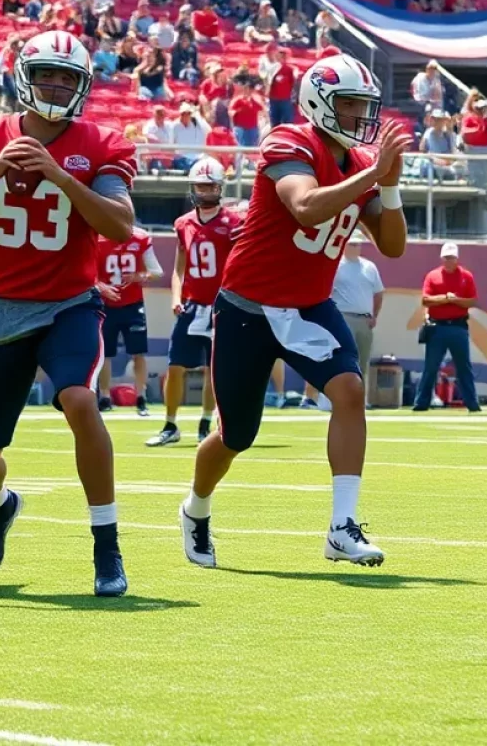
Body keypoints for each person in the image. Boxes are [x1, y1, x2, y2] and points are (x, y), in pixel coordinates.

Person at [0, 29, 137, 598]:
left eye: (68, 77)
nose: (57, 85)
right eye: (47, 74)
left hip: (70, 302)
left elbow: (119, 223)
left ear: (84, 85)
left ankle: (106, 546)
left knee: (80, 398)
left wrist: (61, 175)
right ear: (23, 75)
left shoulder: (103, 141)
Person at [178, 53, 410, 569]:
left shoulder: (358, 164)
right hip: (248, 308)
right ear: (319, 103)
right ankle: (196, 509)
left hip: (308, 306)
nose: (359, 118)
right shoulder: (290, 141)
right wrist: (373, 171)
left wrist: (387, 184)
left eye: (363, 107)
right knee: (236, 435)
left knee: (350, 391)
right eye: (349, 106)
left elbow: (392, 245)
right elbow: (305, 205)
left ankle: (341, 528)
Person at [149, 158, 241, 447]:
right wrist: (176, 297)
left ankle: (204, 422)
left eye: (210, 186)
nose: (204, 192)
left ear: (220, 188)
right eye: (200, 187)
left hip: (220, 306)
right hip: (191, 304)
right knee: (175, 365)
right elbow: (179, 267)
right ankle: (171, 424)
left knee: (212, 368)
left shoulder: (234, 222)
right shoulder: (183, 223)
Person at [96, 227, 163, 415]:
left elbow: (157, 271)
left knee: (138, 353)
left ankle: (141, 397)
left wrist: (138, 276)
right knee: (105, 354)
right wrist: (101, 286)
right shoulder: (98, 238)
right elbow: (89, 274)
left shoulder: (140, 238)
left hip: (133, 304)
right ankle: (105, 397)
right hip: (106, 304)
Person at [414, 242, 479, 413]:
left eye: (451, 258)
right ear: (442, 258)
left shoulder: (466, 276)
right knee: (431, 366)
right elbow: (426, 300)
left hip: (458, 326)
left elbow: (472, 300)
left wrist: (454, 300)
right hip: (438, 327)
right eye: (446, 258)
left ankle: (472, 403)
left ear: (457, 259)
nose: (449, 261)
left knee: (464, 367)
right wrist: (446, 298)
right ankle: (421, 402)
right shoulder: (433, 276)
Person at [331, 231, 384, 408]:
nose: (355, 247)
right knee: (342, 360)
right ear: (344, 244)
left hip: (364, 320)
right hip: (343, 317)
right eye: (351, 244)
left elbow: (378, 293)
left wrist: (374, 315)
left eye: (357, 244)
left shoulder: (370, 267)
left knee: (362, 361)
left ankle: (360, 399)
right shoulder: (336, 265)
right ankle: (337, 399)